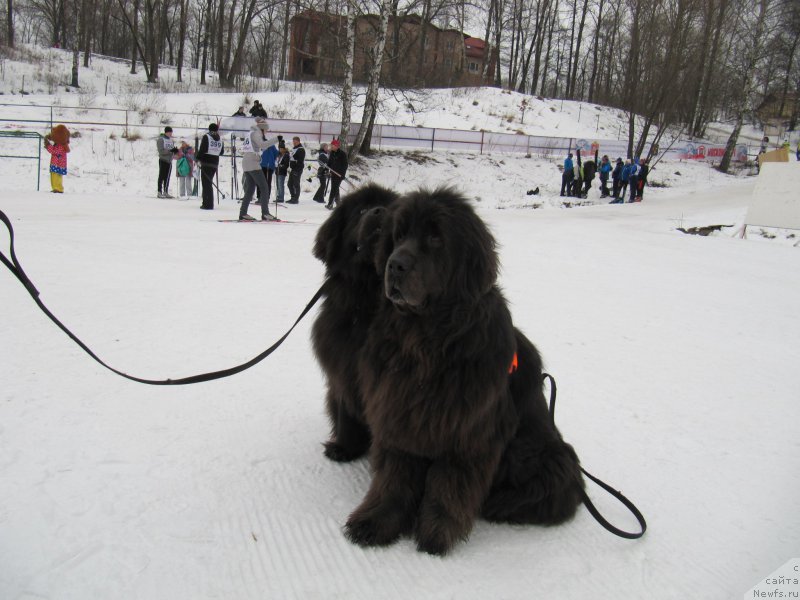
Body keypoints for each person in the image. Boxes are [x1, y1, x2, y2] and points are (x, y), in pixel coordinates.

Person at [238, 118, 279, 221]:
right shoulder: (256, 133)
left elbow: (258, 147)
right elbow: (262, 145)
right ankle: (265, 213)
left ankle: (243, 213)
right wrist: (276, 139)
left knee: (250, 189)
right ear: (262, 128)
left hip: (247, 162)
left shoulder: (250, 133)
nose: (266, 132)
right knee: (264, 187)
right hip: (253, 163)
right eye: (265, 130)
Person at [196, 122, 224, 210]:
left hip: (206, 162)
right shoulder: (220, 139)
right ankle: (208, 203)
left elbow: (202, 149)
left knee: (206, 183)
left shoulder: (207, 137)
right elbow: (222, 152)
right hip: (215, 163)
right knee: (209, 182)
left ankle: (207, 204)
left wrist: (198, 158)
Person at [43, 124, 70, 193]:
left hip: (58, 164)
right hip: (55, 163)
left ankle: (58, 188)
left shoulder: (62, 146)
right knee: (53, 176)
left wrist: (48, 145)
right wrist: (49, 138)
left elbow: (54, 151)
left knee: (57, 177)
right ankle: (55, 187)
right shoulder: (59, 143)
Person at [257, 135, 280, 204]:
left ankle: (266, 198)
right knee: (260, 182)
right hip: (261, 166)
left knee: (267, 183)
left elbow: (276, 154)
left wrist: (280, 152)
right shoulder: (259, 146)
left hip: (269, 166)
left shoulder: (271, 146)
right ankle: (259, 197)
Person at [156, 126, 178, 198]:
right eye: (170, 132)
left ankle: (166, 191)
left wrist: (174, 151)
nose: (171, 134)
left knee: (167, 177)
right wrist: (170, 151)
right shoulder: (161, 139)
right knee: (161, 176)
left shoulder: (171, 140)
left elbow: (172, 150)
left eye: (171, 132)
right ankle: (159, 191)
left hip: (169, 161)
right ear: (166, 132)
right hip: (163, 160)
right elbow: (161, 151)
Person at [326, 138, 348, 209]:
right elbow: (329, 163)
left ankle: (330, 204)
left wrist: (343, 175)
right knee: (335, 188)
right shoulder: (332, 153)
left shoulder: (342, 154)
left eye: (333, 145)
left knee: (334, 189)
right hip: (333, 174)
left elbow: (345, 165)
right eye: (331, 145)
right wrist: (327, 170)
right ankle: (338, 203)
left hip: (339, 175)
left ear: (337, 146)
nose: (331, 146)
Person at [287, 136, 305, 204]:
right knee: (289, 184)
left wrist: (297, 170)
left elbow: (300, 161)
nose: (293, 143)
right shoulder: (294, 148)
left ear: (298, 141)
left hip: (297, 169)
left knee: (296, 184)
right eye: (293, 141)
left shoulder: (301, 149)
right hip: (293, 169)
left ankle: (296, 199)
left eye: (295, 142)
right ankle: (293, 197)